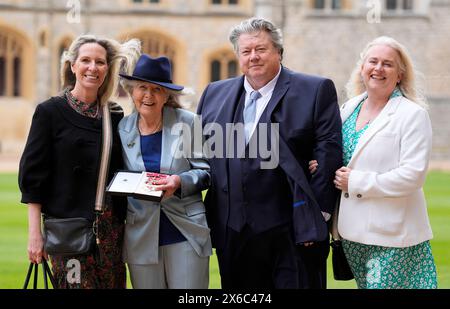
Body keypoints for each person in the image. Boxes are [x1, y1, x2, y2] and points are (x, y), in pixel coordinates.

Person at [197, 17, 342, 288]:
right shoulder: (213, 94)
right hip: (233, 230)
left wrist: (317, 215)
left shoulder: (314, 89)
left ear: (278, 51)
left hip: (293, 229)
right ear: (238, 55)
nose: (253, 57)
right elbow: (198, 155)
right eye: (246, 51)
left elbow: (329, 152)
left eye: (261, 49)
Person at [313, 36, 438, 289]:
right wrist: (320, 166)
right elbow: (338, 155)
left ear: (400, 75)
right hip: (351, 234)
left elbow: (413, 175)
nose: (378, 68)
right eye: (373, 61)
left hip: (392, 236)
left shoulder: (412, 114)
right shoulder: (348, 108)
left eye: (388, 64)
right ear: (362, 68)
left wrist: (356, 181)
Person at [18, 34, 140, 288]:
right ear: (73, 65)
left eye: (100, 62)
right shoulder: (49, 112)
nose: (92, 68)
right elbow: (34, 178)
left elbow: (126, 169)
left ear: (108, 69)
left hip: (111, 233)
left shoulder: (115, 115)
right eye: (85, 60)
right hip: (68, 232)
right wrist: (35, 236)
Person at [118, 54, 212, 289]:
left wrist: (179, 182)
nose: (148, 95)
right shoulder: (122, 128)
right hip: (140, 232)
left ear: (167, 94)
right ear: (132, 91)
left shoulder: (188, 122)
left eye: (156, 89)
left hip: (185, 230)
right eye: (142, 88)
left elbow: (205, 171)